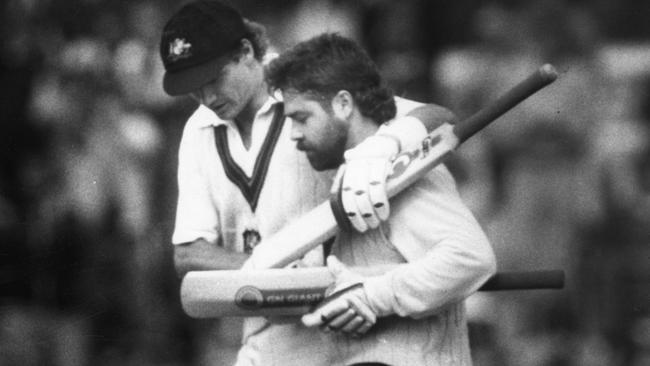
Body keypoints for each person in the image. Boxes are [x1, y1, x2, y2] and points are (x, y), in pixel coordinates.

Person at [158, 1, 454, 365]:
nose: (206, 98)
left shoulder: (304, 82)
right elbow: (189, 255)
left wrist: (386, 145)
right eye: (193, 88)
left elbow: (439, 118)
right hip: (269, 336)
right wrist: (277, 278)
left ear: (246, 51)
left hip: (354, 327)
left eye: (213, 79)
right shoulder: (198, 129)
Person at [266, 33, 497, 366]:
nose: (294, 135)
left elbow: (472, 258)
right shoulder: (343, 175)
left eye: (302, 118)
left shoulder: (399, 173)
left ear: (344, 105)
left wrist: (374, 296)